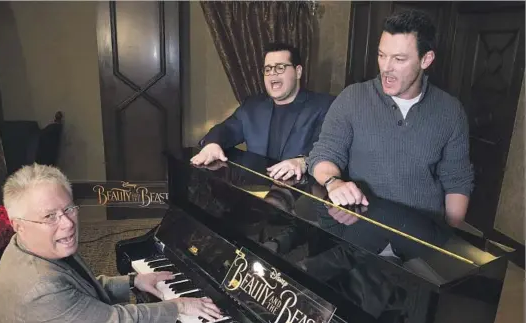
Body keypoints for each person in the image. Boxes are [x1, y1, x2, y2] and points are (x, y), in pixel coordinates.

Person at [0, 163, 223, 323]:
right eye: (49, 216)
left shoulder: (35, 246)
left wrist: (134, 281)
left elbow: (78, 292)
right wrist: (179, 307)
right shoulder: (38, 288)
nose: (67, 223)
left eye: (68, 208)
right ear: (18, 225)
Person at [307, 10, 474, 227]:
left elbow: (457, 180)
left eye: (399, 59)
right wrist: (333, 182)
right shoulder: (352, 98)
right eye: (381, 55)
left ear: (426, 59)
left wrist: (450, 239)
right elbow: (324, 153)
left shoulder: (451, 111)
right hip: (362, 231)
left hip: (422, 233)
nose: (386, 67)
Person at [191, 42, 334, 181]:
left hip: (301, 197)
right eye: (268, 69)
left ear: (298, 72)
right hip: (258, 196)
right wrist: (213, 144)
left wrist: (303, 162)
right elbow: (226, 129)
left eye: (280, 67)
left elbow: (330, 151)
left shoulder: (324, 106)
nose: (272, 74)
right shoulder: (253, 106)